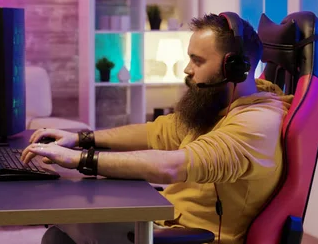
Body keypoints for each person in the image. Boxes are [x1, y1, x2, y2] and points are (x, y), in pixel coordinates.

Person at [20, 12, 294, 244]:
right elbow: (155, 132)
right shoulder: (218, 106)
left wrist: (82, 159)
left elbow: (174, 166)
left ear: (234, 69)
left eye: (198, 61)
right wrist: (81, 138)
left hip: (192, 238)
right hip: (167, 220)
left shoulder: (257, 123)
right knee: (61, 230)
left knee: (69, 217)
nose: (187, 69)